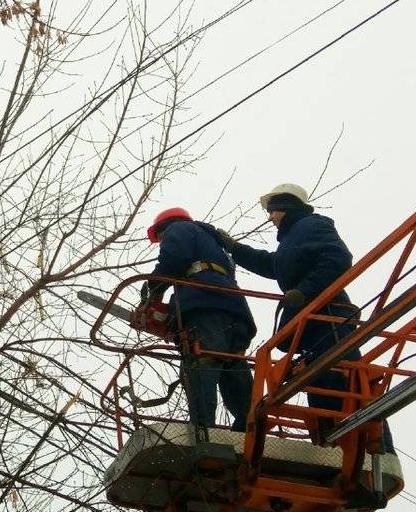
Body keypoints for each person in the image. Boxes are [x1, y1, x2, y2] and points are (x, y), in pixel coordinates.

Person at [217, 184, 393, 451]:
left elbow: (338, 258)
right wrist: (234, 248)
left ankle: (369, 449)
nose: (270, 219)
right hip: (309, 325)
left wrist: (304, 291)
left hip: (328, 318)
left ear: (286, 207)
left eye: (272, 212)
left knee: (342, 379)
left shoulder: (312, 225)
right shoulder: (292, 241)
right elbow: (271, 264)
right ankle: (331, 449)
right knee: (319, 383)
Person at [138, 207, 257, 432]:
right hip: (235, 309)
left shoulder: (179, 229)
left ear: (164, 228)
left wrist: (153, 288)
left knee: (202, 360)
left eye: (161, 239)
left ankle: (203, 431)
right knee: (233, 363)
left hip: (204, 305)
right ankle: (249, 428)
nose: (163, 242)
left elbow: (172, 260)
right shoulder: (214, 245)